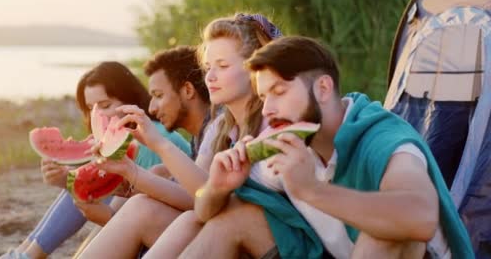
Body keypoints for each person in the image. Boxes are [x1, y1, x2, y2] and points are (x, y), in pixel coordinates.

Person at [183, 36, 474, 258]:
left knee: (386, 232)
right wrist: (217, 188)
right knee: (234, 215)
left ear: (322, 89)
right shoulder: (292, 144)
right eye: (263, 96)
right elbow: (204, 211)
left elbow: (420, 218)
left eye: (279, 92)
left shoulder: (382, 138)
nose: (268, 109)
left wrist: (313, 190)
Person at [76, 13, 281, 258]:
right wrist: (131, 171)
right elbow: (197, 197)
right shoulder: (220, 128)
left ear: (256, 70)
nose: (210, 77)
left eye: (223, 66)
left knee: (194, 219)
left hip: (265, 240)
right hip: (223, 232)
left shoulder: (276, 121)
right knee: (144, 208)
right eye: (208, 68)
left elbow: (205, 203)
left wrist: (159, 144)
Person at [3, 61, 191, 259]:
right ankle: (24, 252)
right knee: (83, 182)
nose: (97, 115)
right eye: (91, 108)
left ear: (130, 99)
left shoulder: (148, 139)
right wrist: (65, 180)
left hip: (165, 237)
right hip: (139, 224)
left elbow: (132, 217)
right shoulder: (120, 141)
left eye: (105, 105)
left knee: (84, 183)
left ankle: (28, 255)